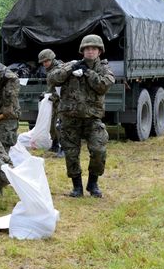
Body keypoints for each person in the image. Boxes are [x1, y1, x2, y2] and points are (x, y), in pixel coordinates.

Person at [47, 34, 115, 198]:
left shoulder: (103, 69)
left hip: (92, 119)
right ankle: (77, 186)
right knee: (71, 154)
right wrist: (70, 69)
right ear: (82, 51)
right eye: (87, 49)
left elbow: (103, 85)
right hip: (70, 118)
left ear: (99, 51)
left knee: (99, 150)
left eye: (94, 49)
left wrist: (88, 73)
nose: (90, 52)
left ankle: (93, 183)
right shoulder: (71, 65)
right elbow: (52, 78)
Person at [38, 49, 64, 157]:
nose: (44, 64)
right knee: (52, 124)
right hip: (54, 102)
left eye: (46, 61)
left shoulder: (60, 70)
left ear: (52, 59)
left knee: (60, 124)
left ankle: (64, 149)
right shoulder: (50, 69)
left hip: (62, 102)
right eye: (43, 62)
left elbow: (63, 88)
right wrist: (45, 94)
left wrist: (52, 96)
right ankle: (55, 144)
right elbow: (51, 88)